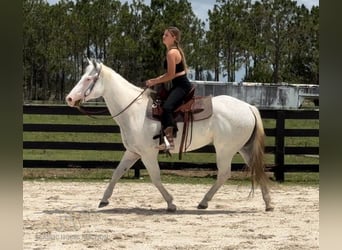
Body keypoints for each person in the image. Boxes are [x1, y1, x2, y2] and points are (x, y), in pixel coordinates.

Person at [146, 26, 192, 151]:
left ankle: (170, 141)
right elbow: (171, 75)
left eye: (166, 35)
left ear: (174, 37)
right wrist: (155, 80)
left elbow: (170, 75)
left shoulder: (172, 53)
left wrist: (155, 81)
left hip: (181, 86)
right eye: (164, 34)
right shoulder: (173, 51)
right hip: (178, 84)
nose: (163, 36)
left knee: (167, 107)